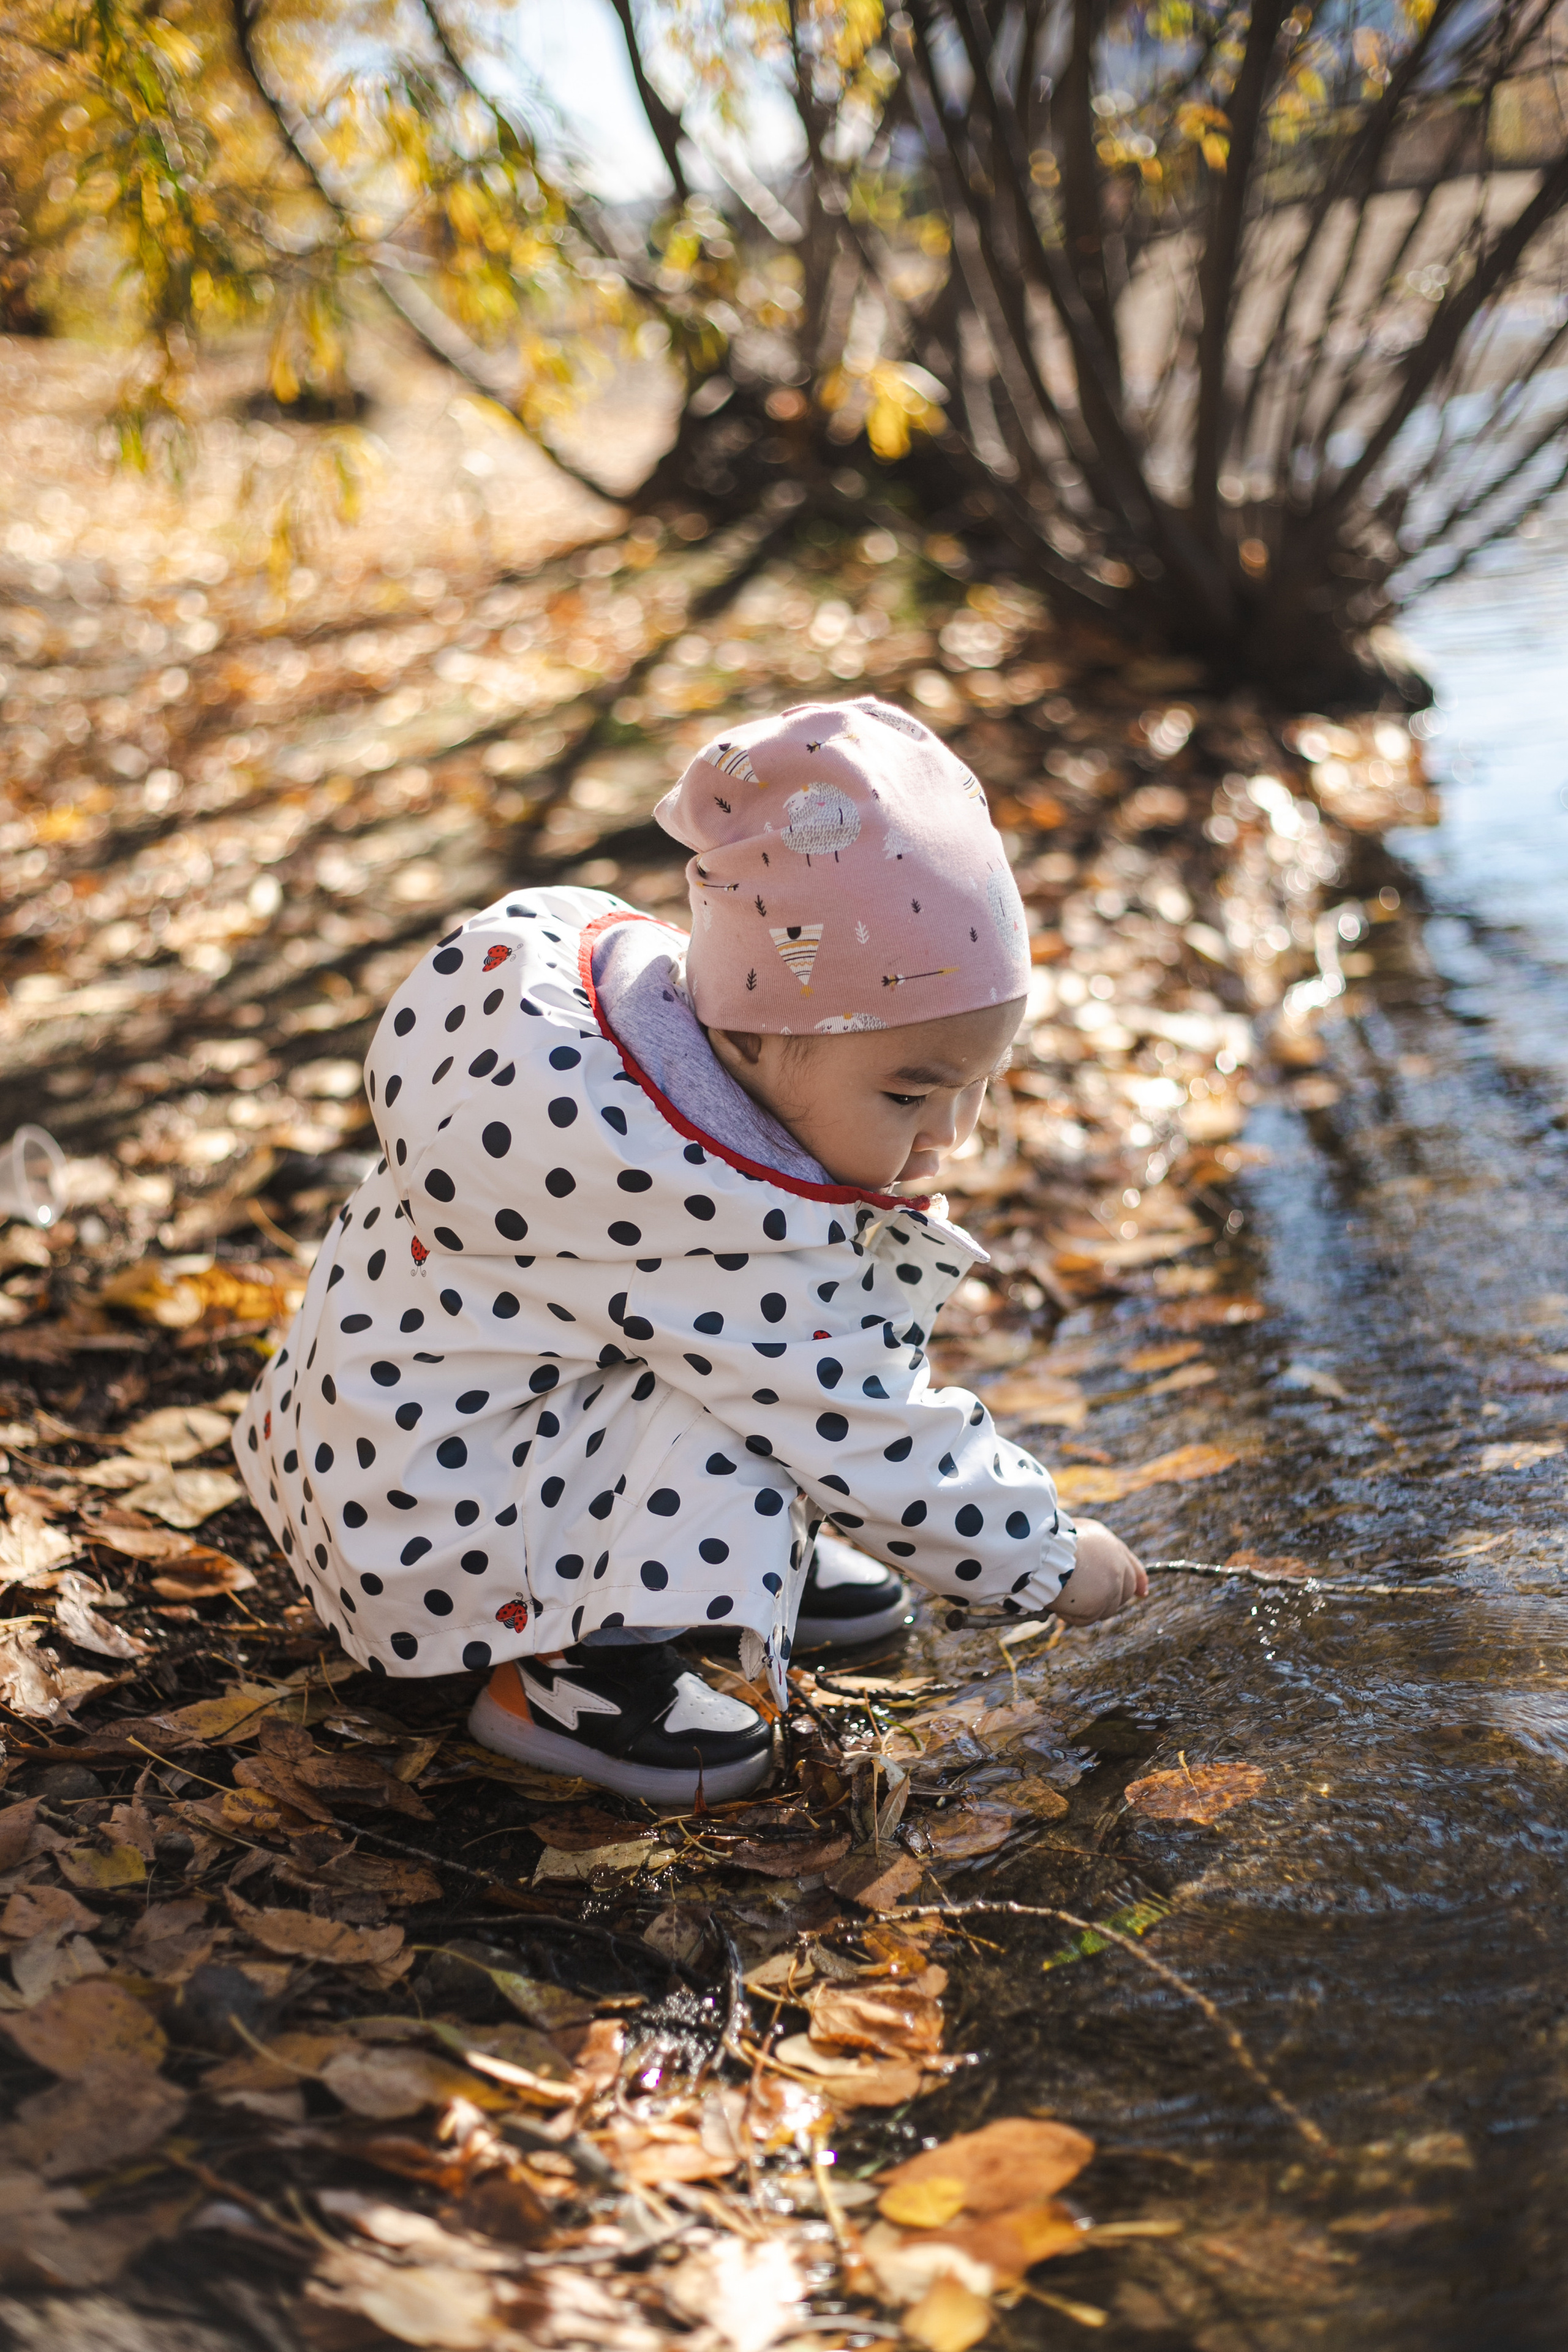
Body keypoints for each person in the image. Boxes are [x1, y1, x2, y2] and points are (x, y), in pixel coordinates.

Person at [233, 698, 1145, 1803]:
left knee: (735, 1373)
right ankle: (577, 1679)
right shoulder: (706, 1208)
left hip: (373, 1461)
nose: (952, 1136)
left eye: (976, 1085)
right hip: (436, 1545)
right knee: (777, 1390)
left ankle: (728, 1571)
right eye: (912, 1092)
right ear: (758, 1031)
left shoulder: (619, 1062)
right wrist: (1046, 1559)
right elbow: (868, 1425)